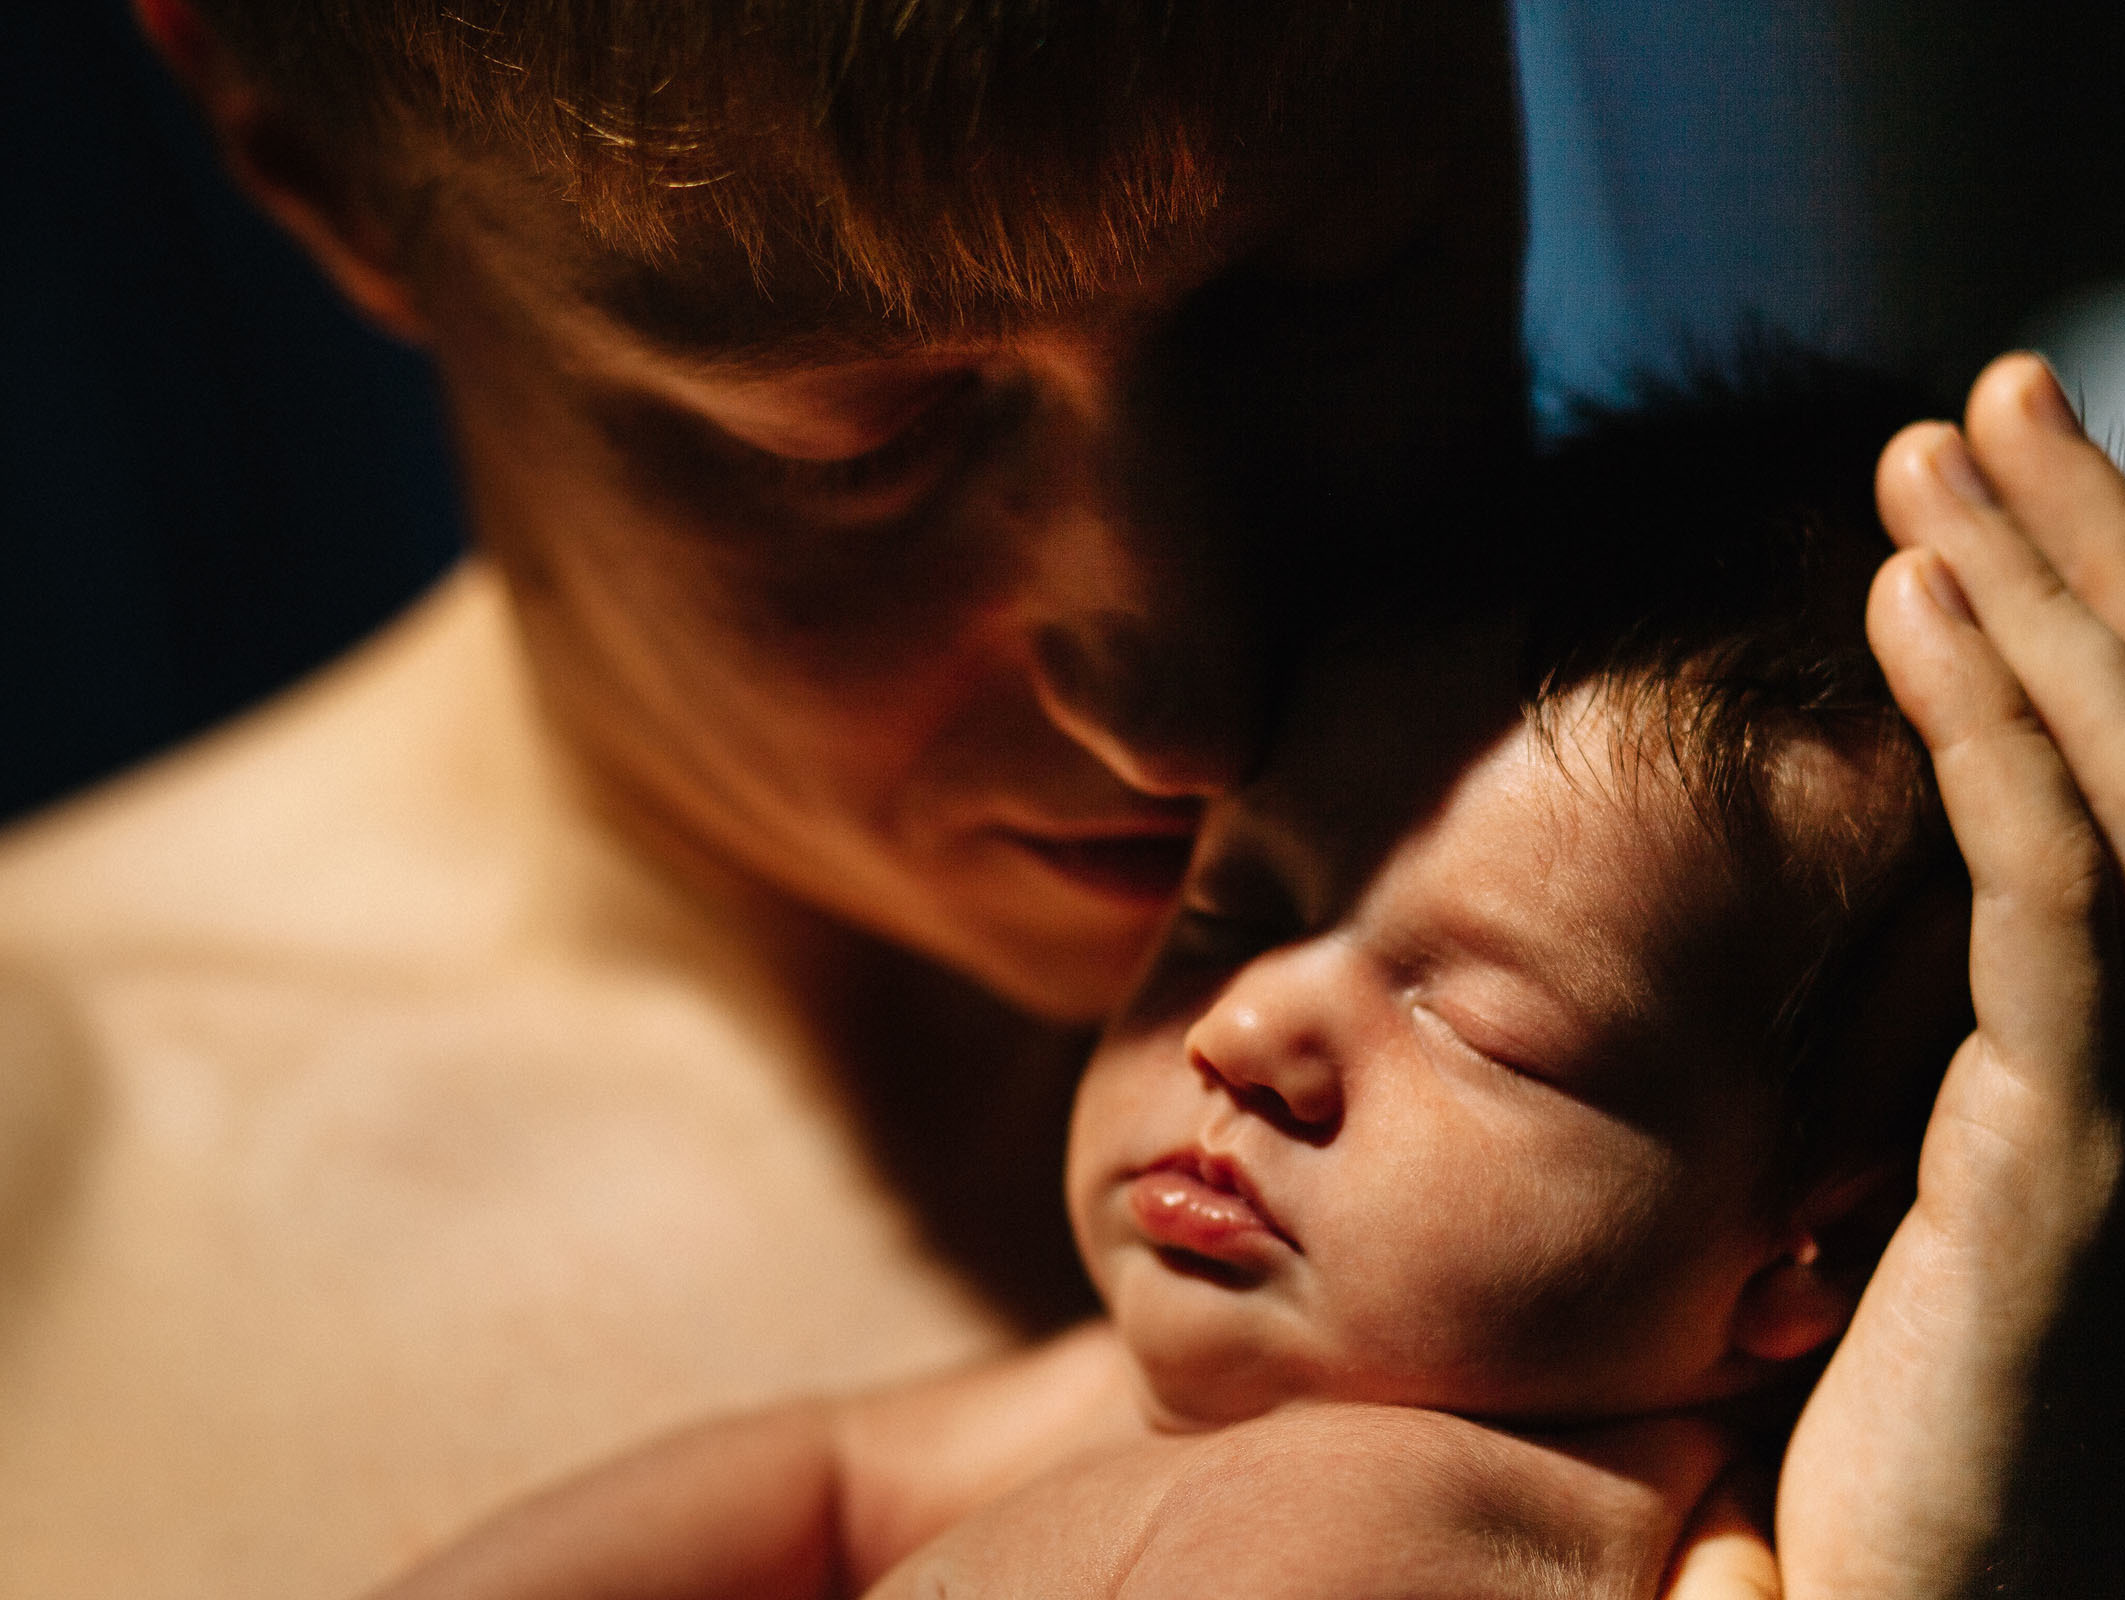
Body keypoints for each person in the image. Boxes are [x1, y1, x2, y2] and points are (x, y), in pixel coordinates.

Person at [0, 0, 2125, 1590]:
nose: (1200, 688)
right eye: (858, 432)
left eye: (1332, 272)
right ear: (298, 148)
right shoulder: (50, 1248)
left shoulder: (2021, 1129)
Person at [369, 362, 1968, 1600]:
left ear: (1804, 1256)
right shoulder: (1094, 1408)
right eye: (1225, 914)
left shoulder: (1563, 1527)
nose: (1246, 1024)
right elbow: (814, 1488)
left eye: (1481, 1029)